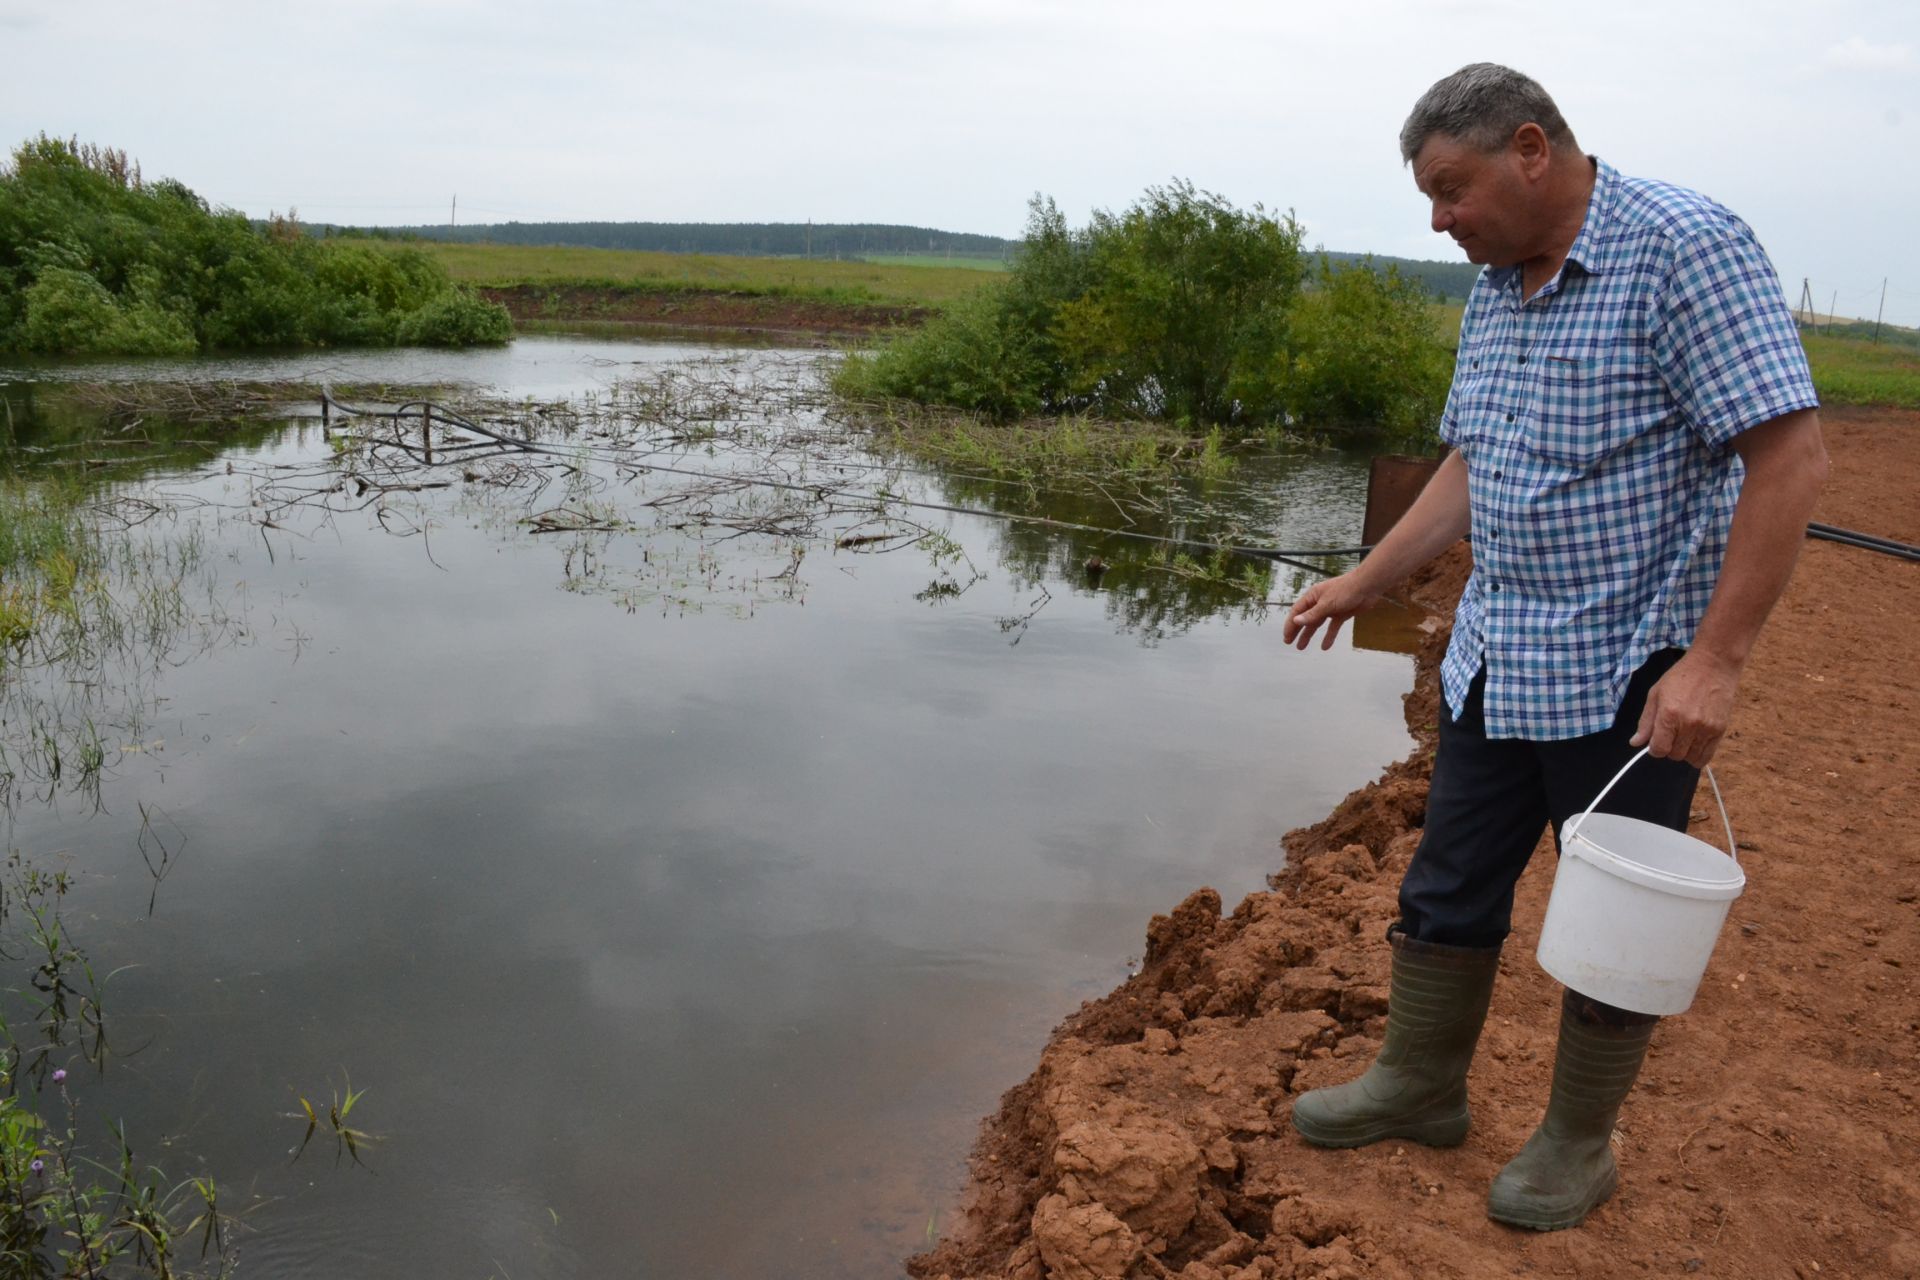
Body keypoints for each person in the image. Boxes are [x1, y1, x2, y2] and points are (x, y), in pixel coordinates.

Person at [1281, 63, 1828, 1231]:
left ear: (1530, 149)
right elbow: (1472, 466)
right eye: (1429, 196)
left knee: (1616, 920)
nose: (1438, 217)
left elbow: (1788, 460)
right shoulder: (1497, 280)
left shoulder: (1684, 247)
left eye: (1450, 188)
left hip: (1630, 669)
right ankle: (1420, 1084)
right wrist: (1364, 581)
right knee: (1447, 883)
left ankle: (1578, 1142)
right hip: (1497, 648)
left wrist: (1715, 662)